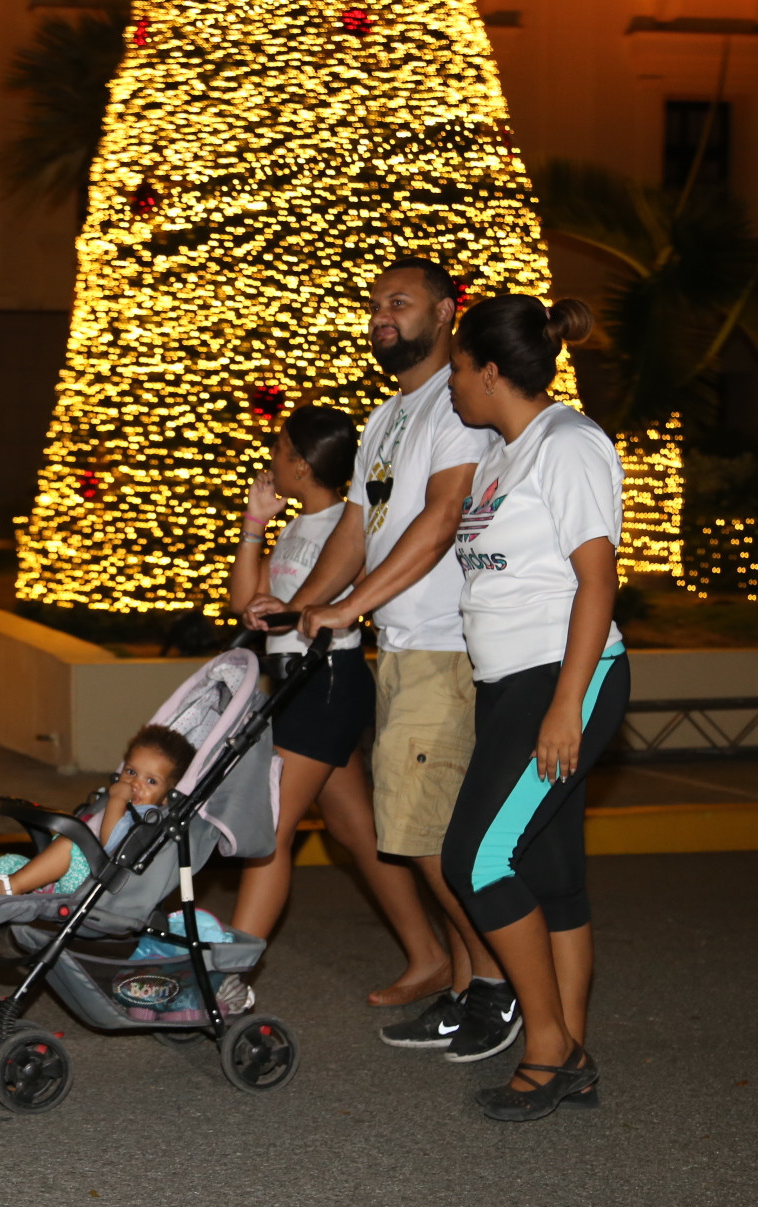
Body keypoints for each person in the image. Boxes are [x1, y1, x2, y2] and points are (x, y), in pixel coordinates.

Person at [295, 257, 518, 1062]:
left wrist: (348, 606)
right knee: (423, 831)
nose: (381, 316)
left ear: (446, 311)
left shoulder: (457, 410)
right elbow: (358, 528)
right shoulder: (390, 415)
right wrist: (299, 607)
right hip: (401, 647)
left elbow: (442, 518)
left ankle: (498, 983)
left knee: (424, 838)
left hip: (443, 645)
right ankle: (466, 985)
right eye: (374, 305)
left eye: (400, 302)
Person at [436, 294, 630, 1122]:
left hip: (562, 676)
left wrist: (565, 705)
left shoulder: (568, 444)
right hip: (511, 680)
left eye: (457, 368)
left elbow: (598, 579)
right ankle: (572, 1055)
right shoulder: (500, 455)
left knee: (476, 860)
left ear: (490, 371)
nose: (450, 383)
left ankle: (549, 1048)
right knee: (552, 874)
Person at [226, 406, 380, 1011]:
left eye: (280, 448)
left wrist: (279, 610)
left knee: (271, 827)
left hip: (327, 679)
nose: (272, 457)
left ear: (303, 465)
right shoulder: (296, 525)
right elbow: (247, 603)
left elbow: (294, 612)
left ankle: (230, 973)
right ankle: (432, 955)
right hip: (296, 683)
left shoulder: (345, 525)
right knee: (359, 833)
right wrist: (254, 526)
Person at [0, 724, 195, 900]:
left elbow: (110, 843)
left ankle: (12, 886)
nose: (135, 783)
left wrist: (117, 799)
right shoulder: (122, 802)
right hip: (63, 875)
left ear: (167, 797)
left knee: (72, 842)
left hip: (96, 883)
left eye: (151, 781)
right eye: (131, 771)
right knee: (12, 861)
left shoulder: (147, 819)